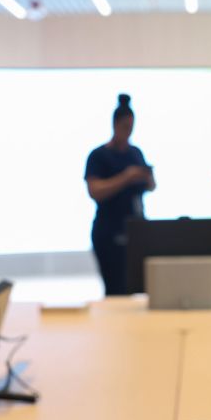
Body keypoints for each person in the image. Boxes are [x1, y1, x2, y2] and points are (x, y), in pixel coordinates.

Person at [84, 94, 155, 297]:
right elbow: (95, 191)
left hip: (136, 230)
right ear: (115, 125)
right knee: (115, 289)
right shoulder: (99, 156)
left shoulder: (135, 153)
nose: (128, 132)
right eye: (125, 127)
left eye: (131, 127)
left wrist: (147, 176)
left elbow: (150, 186)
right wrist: (126, 177)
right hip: (109, 232)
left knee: (136, 287)